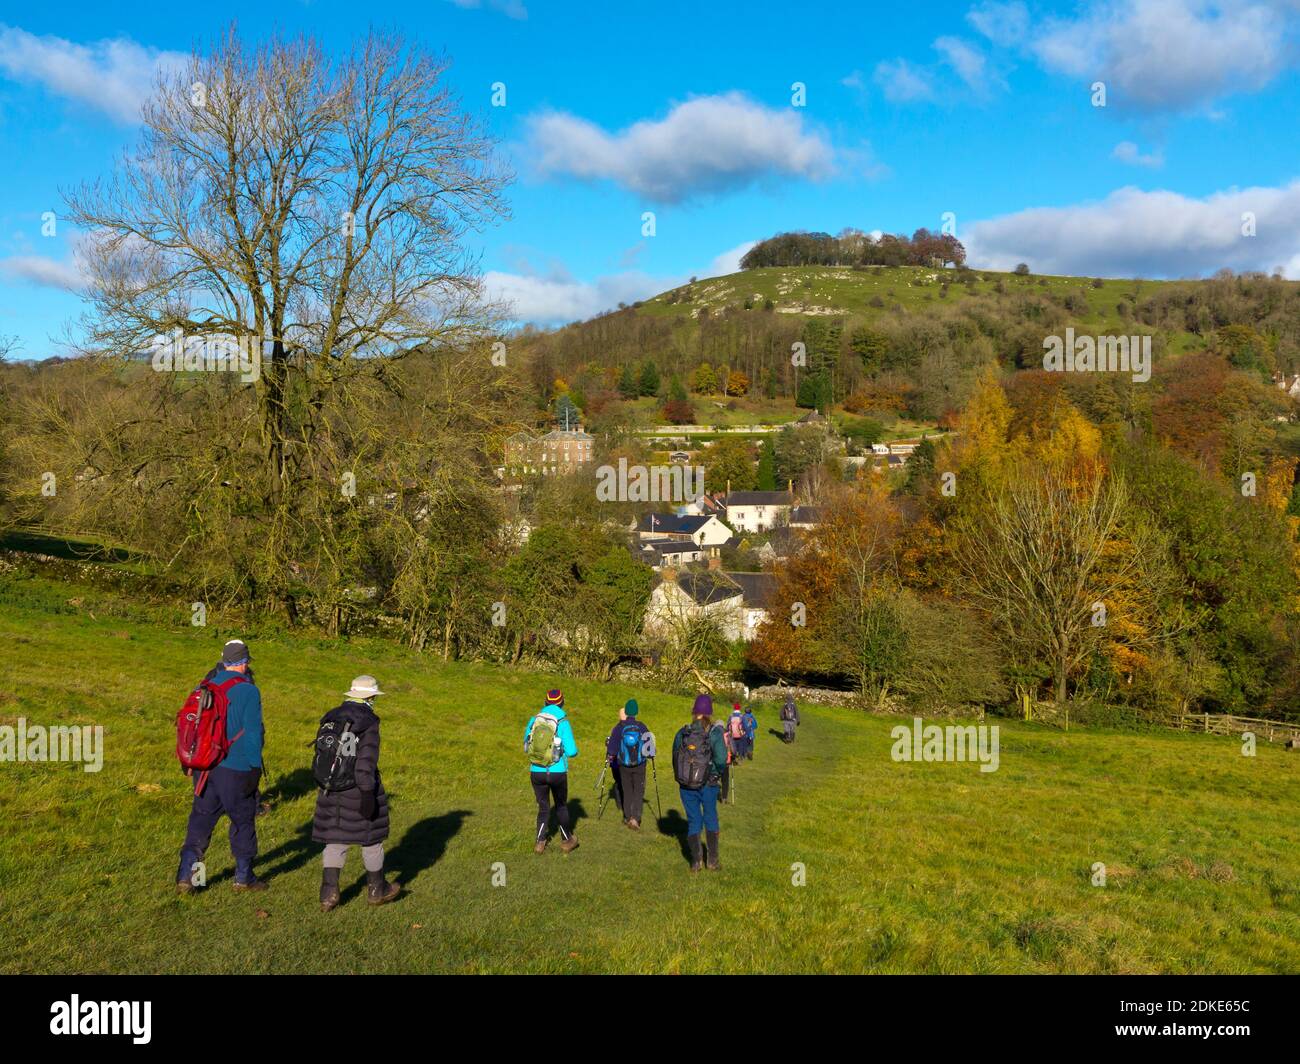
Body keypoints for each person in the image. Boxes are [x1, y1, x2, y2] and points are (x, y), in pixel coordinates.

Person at [176, 639, 267, 893]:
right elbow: (252, 734)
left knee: (201, 821)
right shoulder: (250, 691)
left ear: (224, 661)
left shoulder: (205, 685)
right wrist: (255, 768)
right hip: (236, 769)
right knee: (242, 821)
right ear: (245, 662)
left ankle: (187, 876)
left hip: (205, 767)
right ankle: (244, 878)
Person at [312, 675, 400, 911]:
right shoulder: (369, 721)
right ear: (370, 697)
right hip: (356, 788)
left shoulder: (331, 717)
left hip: (329, 788)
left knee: (335, 839)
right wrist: (367, 793)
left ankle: (328, 894)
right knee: (371, 840)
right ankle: (377, 890)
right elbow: (365, 764)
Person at [672, 693, 727, 872]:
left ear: (694, 711)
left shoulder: (682, 732)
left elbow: (675, 756)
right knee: (710, 817)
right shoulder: (715, 733)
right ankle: (712, 861)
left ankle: (696, 862)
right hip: (709, 784)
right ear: (709, 713)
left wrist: (682, 777)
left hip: (686, 785)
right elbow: (720, 759)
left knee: (694, 820)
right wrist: (715, 774)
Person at [525, 689, 580, 854]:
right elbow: (572, 751)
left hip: (536, 770)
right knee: (561, 806)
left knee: (543, 808)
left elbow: (527, 744)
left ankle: (540, 843)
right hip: (557, 772)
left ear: (545, 702)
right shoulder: (562, 721)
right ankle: (567, 841)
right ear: (562, 702)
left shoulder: (534, 719)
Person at [611, 699, 650, 830]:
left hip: (623, 764)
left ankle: (628, 817)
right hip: (640, 764)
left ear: (626, 712)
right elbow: (650, 748)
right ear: (636, 712)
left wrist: (611, 756)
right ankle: (636, 819)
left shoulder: (619, 728)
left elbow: (612, 749)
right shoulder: (642, 726)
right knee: (639, 791)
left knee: (627, 790)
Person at [603, 702, 629, 817]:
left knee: (619, 783)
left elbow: (611, 746)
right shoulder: (633, 727)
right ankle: (626, 805)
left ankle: (621, 805)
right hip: (627, 762)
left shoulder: (615, 729)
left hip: (616, 763)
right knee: (625, 783)